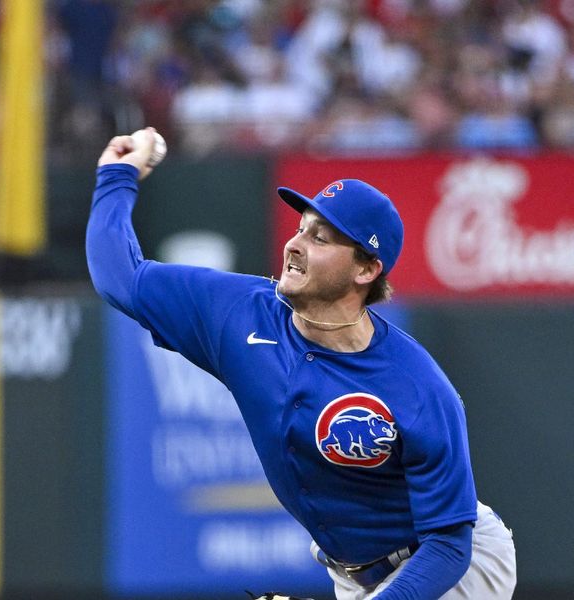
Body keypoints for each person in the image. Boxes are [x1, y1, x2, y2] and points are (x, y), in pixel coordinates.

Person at [86, 128, 517, 600]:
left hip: (449, 570)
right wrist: (117, 175)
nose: (296, 243)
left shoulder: (417, 386)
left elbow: (449, 547)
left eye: (321, 237)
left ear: (366, 269)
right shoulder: (238, 312)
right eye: (301, 228)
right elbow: (121, 277)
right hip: (352, 576)